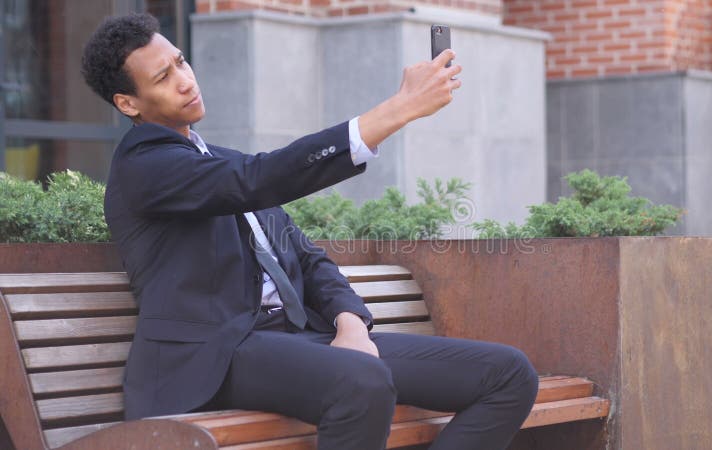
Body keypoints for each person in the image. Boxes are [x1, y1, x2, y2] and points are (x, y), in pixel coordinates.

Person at [82, 12, 537, 450]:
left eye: (181, 61)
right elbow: (259, 178)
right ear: (128, 103)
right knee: (361, 382)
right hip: (214, 358)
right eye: (162, 78)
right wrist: (398, 110)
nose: (185, 79)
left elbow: (305, 256)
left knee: (508, 375)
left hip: (296, 341)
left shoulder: (216, 160)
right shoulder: (145, 168)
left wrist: (350, 322)